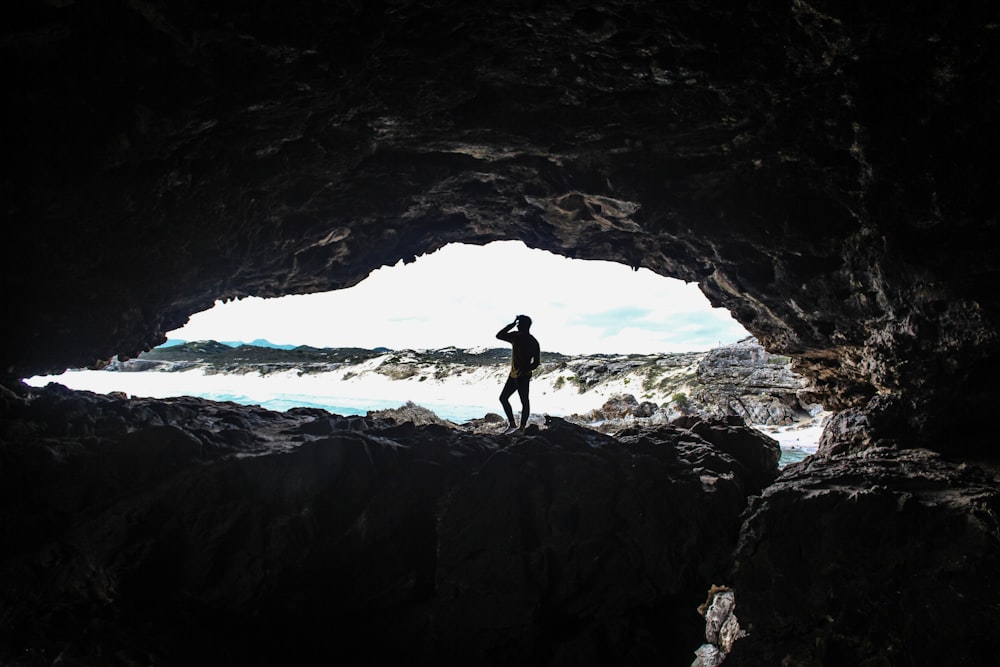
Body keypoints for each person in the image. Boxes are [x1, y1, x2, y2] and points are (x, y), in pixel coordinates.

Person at [496, 315, 540, 433]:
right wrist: (527, 368)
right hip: (515, 375)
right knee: (505, 399)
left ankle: (520, 427)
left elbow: (499, 335)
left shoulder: (520, 337)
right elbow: (536, 363)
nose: (518, 325)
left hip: (522, 376)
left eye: (519, 323)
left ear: (524, 325)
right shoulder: (531, 340)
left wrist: (511, 324)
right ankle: (514, 426)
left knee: (522, 401)